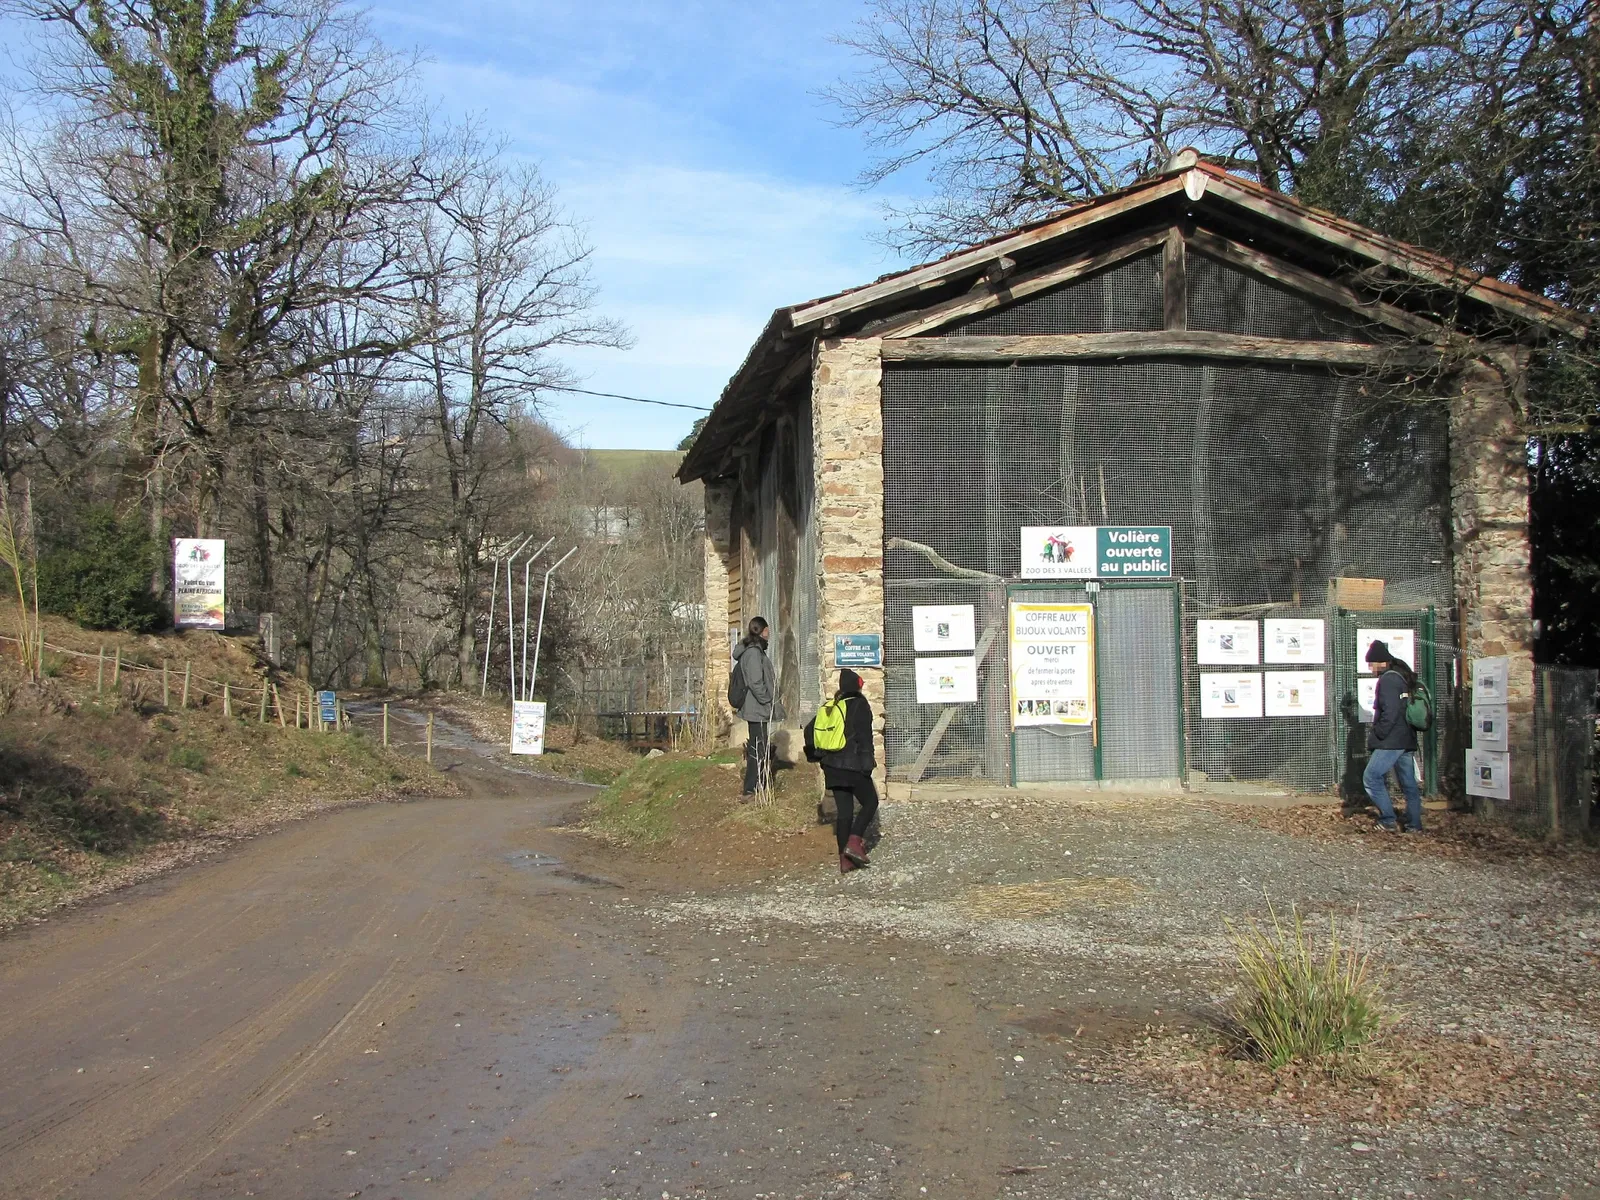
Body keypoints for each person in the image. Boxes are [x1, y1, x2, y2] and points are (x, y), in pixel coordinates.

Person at [820, 668, 878, 873]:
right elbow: (864, 738)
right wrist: (867, 764)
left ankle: (844, 861)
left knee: (844, 812)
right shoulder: (859, 705)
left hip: (832, 766)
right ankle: (854, 841)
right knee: (871, 802)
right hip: (853, 765)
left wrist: (821, 760)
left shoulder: (832, 706)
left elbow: (812, 733)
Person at [1362, 639, 1423, 833]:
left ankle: (1388, 819)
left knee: (1371, 777)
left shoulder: (1388, 679)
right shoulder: (1401, 676)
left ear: (1381, 662)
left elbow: (1390, 712)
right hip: (1406, 738)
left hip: (1391, 740)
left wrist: (1379, 733)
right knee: (1408, 784)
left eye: (1371, 663)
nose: (1370, 667)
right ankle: (1414, 824)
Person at [734, 616, 779, 798]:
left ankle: (755, 787)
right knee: (758, 749)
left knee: (758, 747)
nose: (769, 633)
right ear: (761, 631)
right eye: (767, 629)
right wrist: (767, 699)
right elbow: (755, 681)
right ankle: (752, 789)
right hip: (757, 708)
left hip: (756, 707)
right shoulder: (753, 653)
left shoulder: (754, 650)